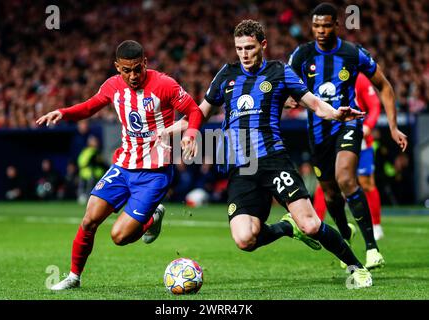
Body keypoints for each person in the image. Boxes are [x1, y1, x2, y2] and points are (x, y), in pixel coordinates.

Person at [169, 19, 373, 288]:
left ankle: (356, 267)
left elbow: (314, 103)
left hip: (274, 160)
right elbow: (199, 113)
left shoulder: (280, 71)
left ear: (262, 45)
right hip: (242, 167)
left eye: (250, 47)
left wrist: (336, 113)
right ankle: (288, 228)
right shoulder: (227, 74)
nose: (244, 54)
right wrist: (165, 132)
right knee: (245, 239)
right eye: (239, 48)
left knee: (311, 224)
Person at [36, 40, 203, 290]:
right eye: (127, 70)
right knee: (89, 220)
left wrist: (189, 135)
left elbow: (194, 111)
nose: (133, 75)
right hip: (123, 167)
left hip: (154, 173)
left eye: (138, 68)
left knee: (119, 237)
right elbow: (89, 107)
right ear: (117, 67)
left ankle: (152, 217)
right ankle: (73, 277)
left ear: (145, 63)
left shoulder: (165, 85)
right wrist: (63, 112)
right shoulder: (112, 86)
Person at [287, 3, 407, 269]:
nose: (321, 30)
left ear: (336, 25)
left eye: (326, 25)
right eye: (316, 25)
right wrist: (288, 102)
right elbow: (284, 91)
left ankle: (372, 248)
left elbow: (384, 87)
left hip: (348, 125)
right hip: (318, 134)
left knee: (346, 178)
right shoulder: (301, 55)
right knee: (330, 194)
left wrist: (393, 126)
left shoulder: (352, 53)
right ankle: (345, 232)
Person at [313, 73, 385, 240]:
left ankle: (375, 225)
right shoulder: (320, 75)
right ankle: (317, 223)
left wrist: (368, 126)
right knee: (326, 183)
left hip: (358, 136)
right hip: (330, 137)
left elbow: (374, 105)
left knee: (366, 182)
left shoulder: (358, 77)